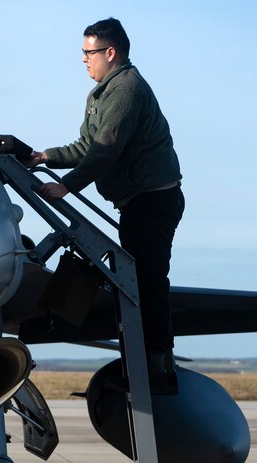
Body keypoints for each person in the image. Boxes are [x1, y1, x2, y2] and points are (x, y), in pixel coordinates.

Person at [27, 17, 184, 394]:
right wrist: (43, 156)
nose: (83, 59)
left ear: (110, 53)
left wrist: (66, 186)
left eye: (88, 52)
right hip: (136, 203)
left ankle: (158, 369)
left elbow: (105, 151)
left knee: (147, 284)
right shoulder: (101, 94)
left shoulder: (126, 90)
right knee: (136, 283)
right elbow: (86, 148)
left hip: (152, 201)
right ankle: (144, 364)